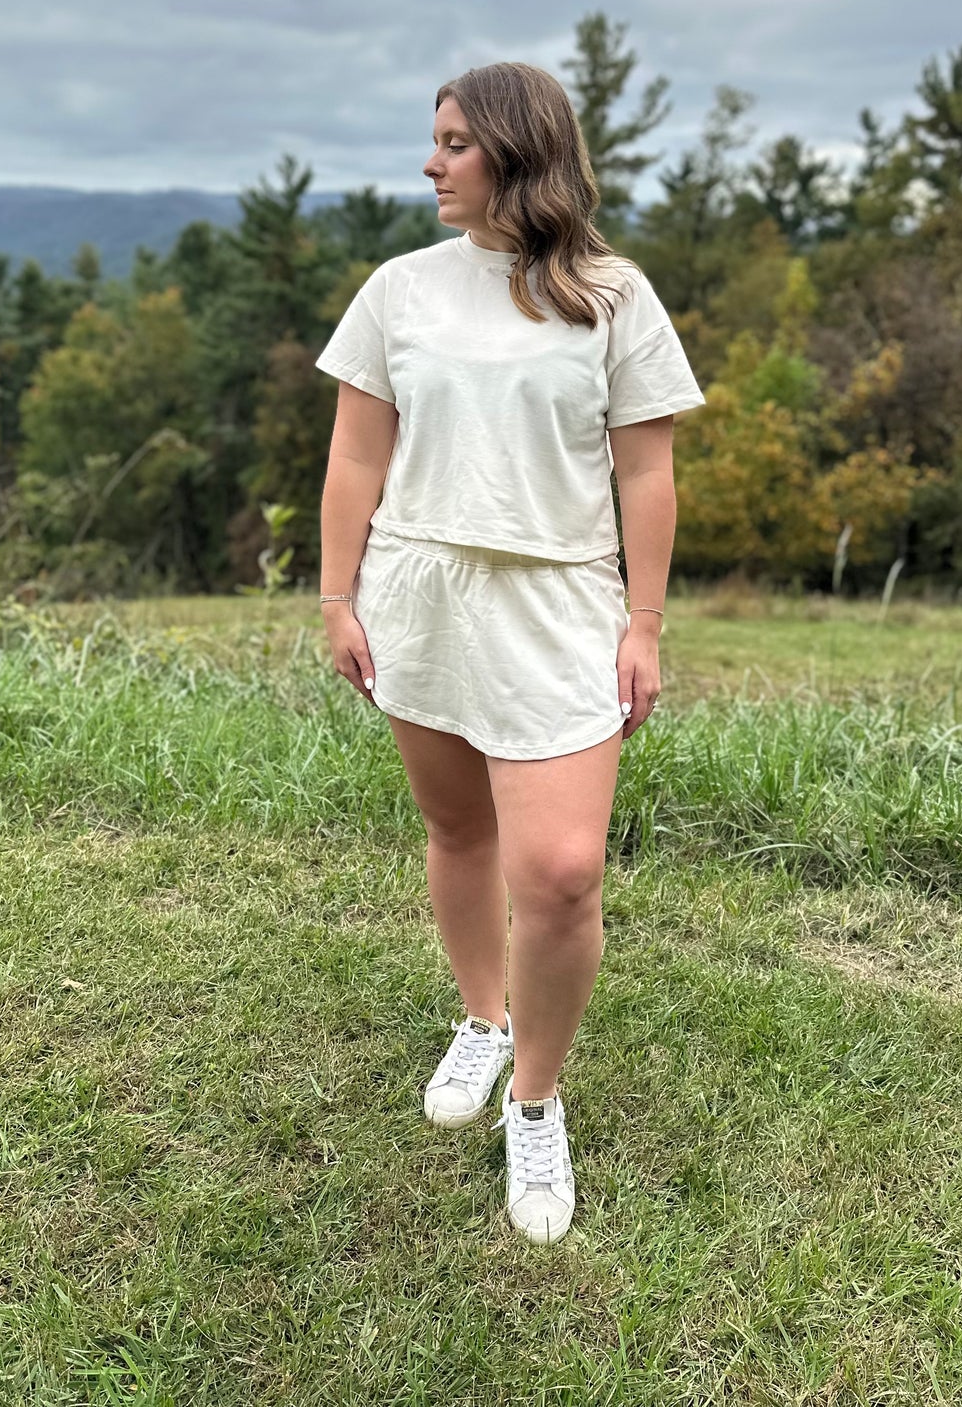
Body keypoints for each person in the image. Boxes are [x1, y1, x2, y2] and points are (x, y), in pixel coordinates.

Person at [314, 61, 705, 1245]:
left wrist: (643, 622)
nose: (429, 163)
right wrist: (337, 596)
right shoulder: (399, 289)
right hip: (421, 591)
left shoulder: (612, 296)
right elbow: (354, 457)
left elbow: (645, 471)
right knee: (457, 831)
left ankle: (534, 1096)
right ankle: (482, 1020)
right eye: (431, 141)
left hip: (559, 604)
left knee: (561, 873)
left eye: (452, 143)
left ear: (518, 153)